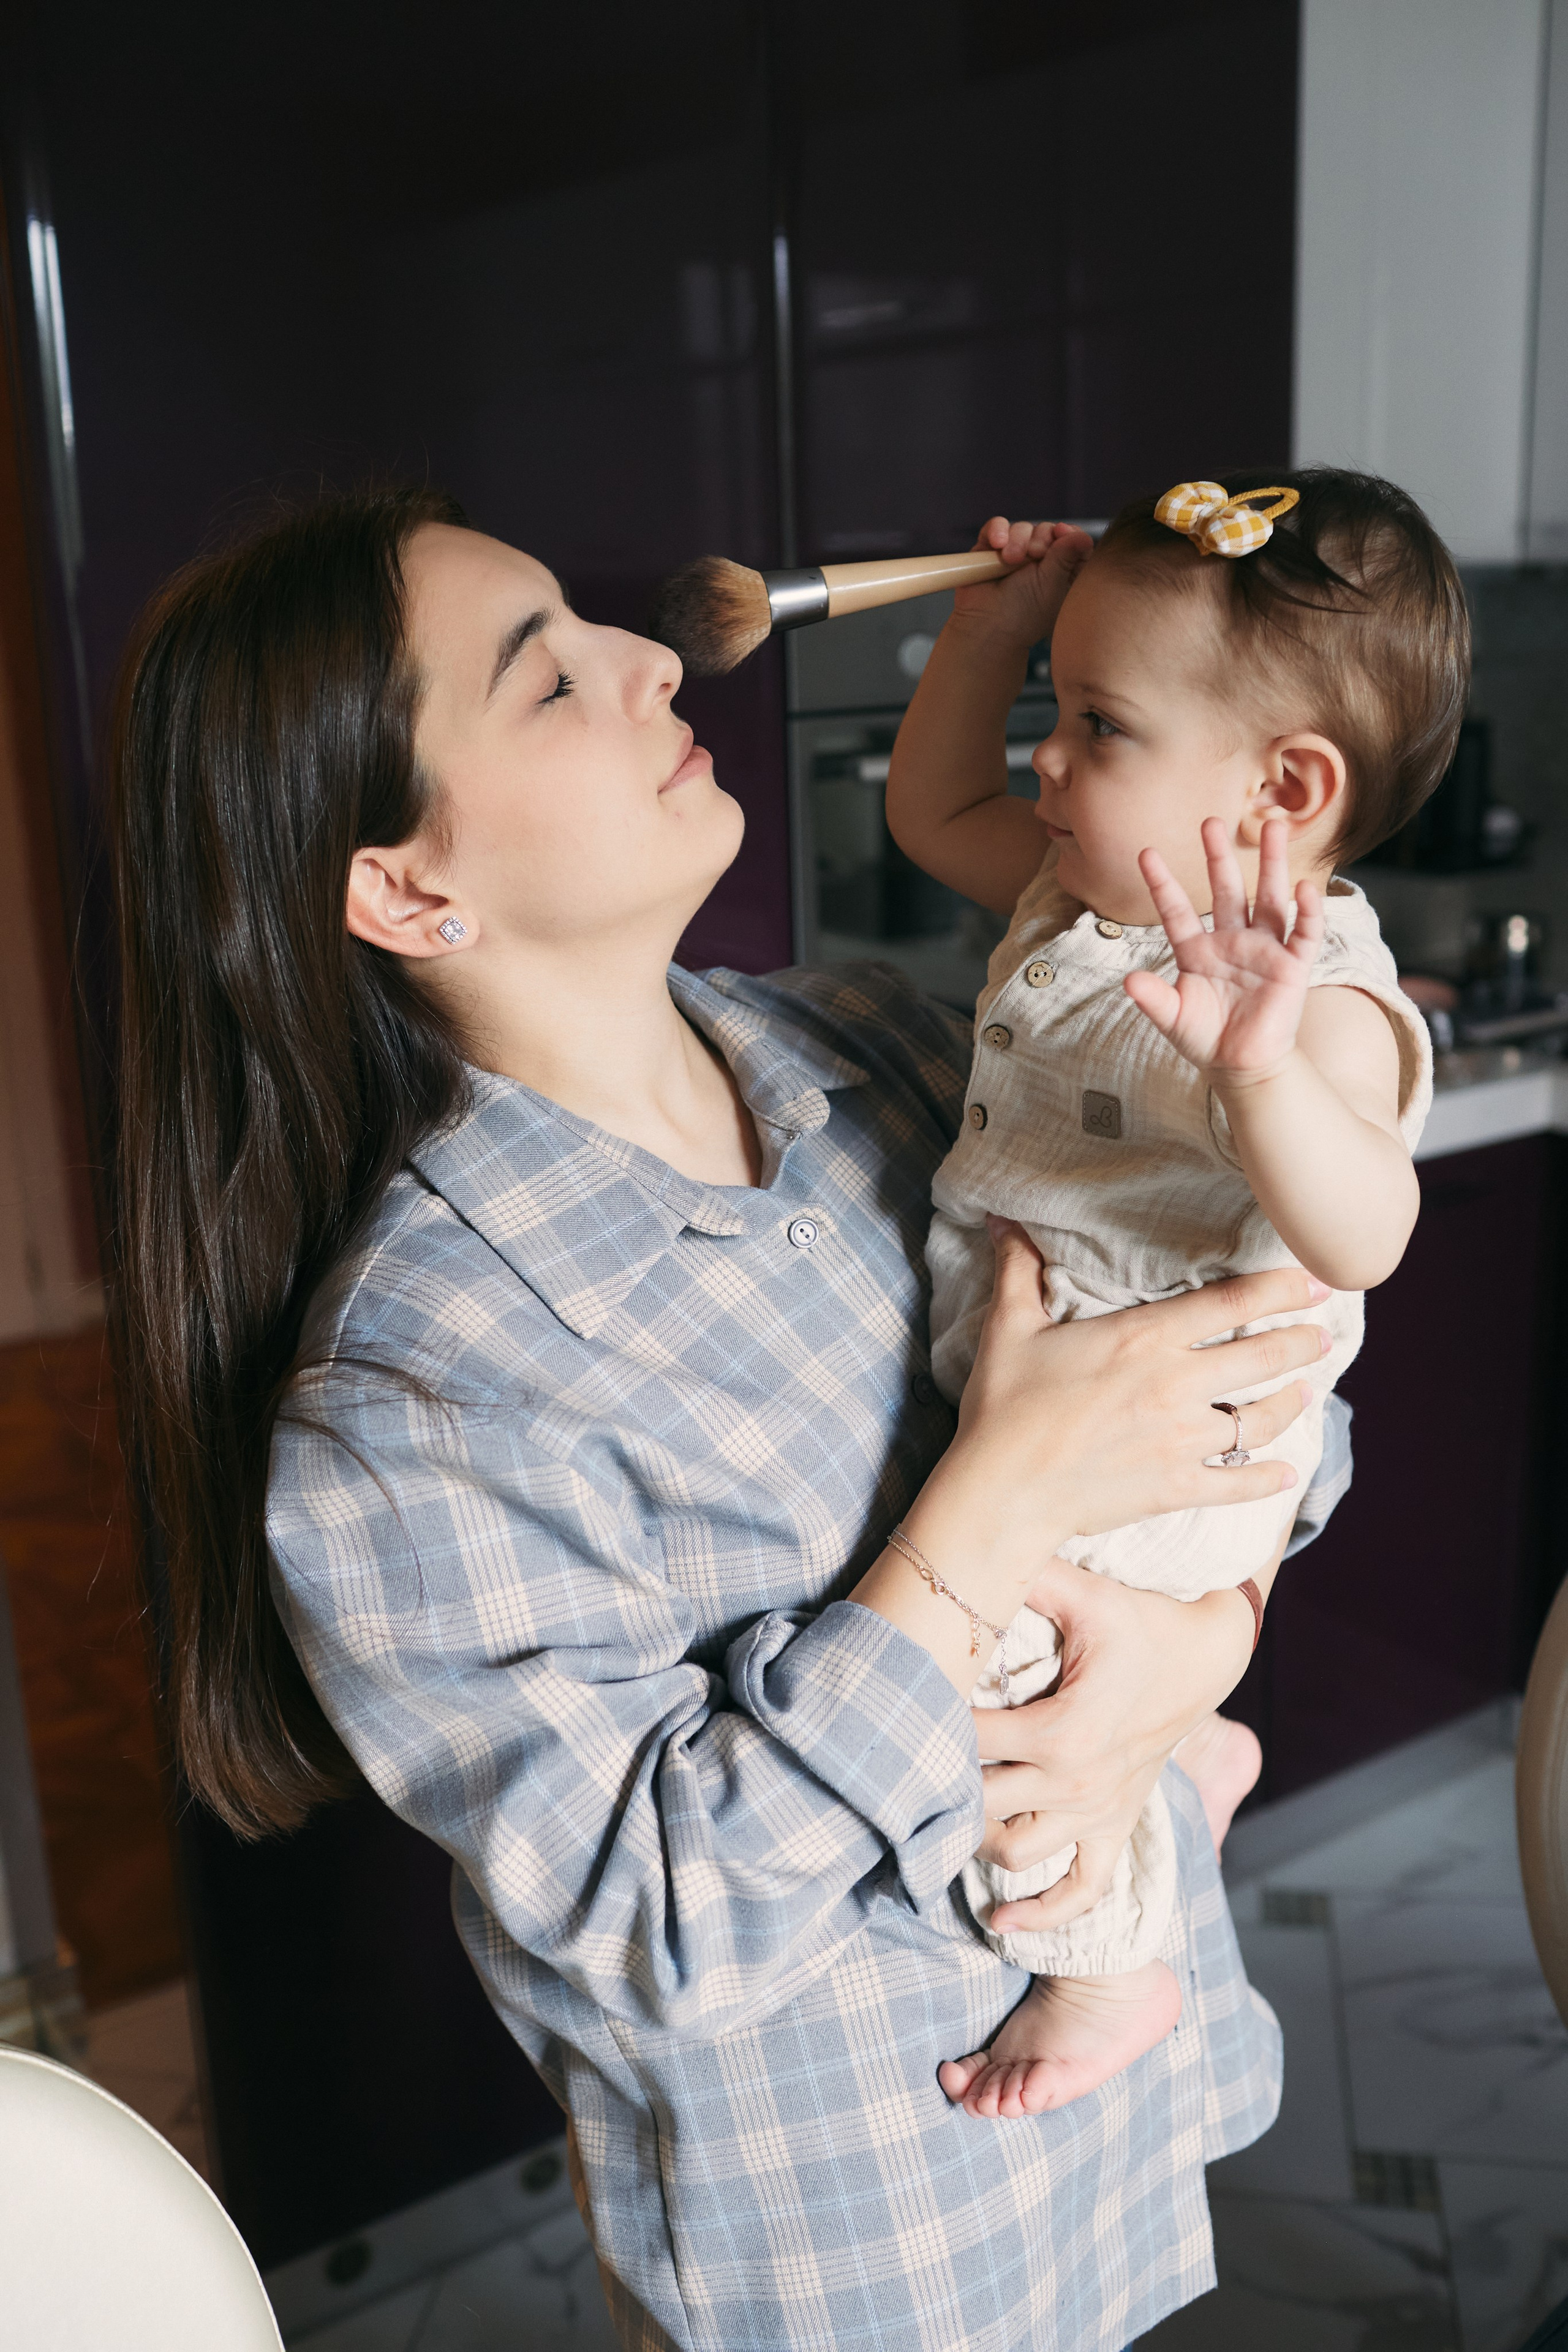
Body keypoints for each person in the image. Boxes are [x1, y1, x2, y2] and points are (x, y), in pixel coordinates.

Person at [110, 484, 1349, 2352]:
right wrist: (983, 1522)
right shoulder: (414, 1396)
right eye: (543, 683)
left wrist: (1192, 1648)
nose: (641, 656)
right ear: (405, 889)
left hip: (1118, 2120)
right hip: (876, 2257)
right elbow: (649, 1933)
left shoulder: (888, 1050)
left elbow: (1282, 1400)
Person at [887, 470, 1464, 2124]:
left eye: (1100, 723)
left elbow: (1369, 1228)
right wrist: (991, 638)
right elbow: (932, 814)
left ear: (1283, 790)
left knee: (1002, 1702)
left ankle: (1108, 1965)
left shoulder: (1323, 1002)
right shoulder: (1084, 895)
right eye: (1056, 709)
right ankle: (1191, 1759)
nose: (1048, 760)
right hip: (1068, 1427)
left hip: (1170, 1454)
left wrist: (1261, 1075)